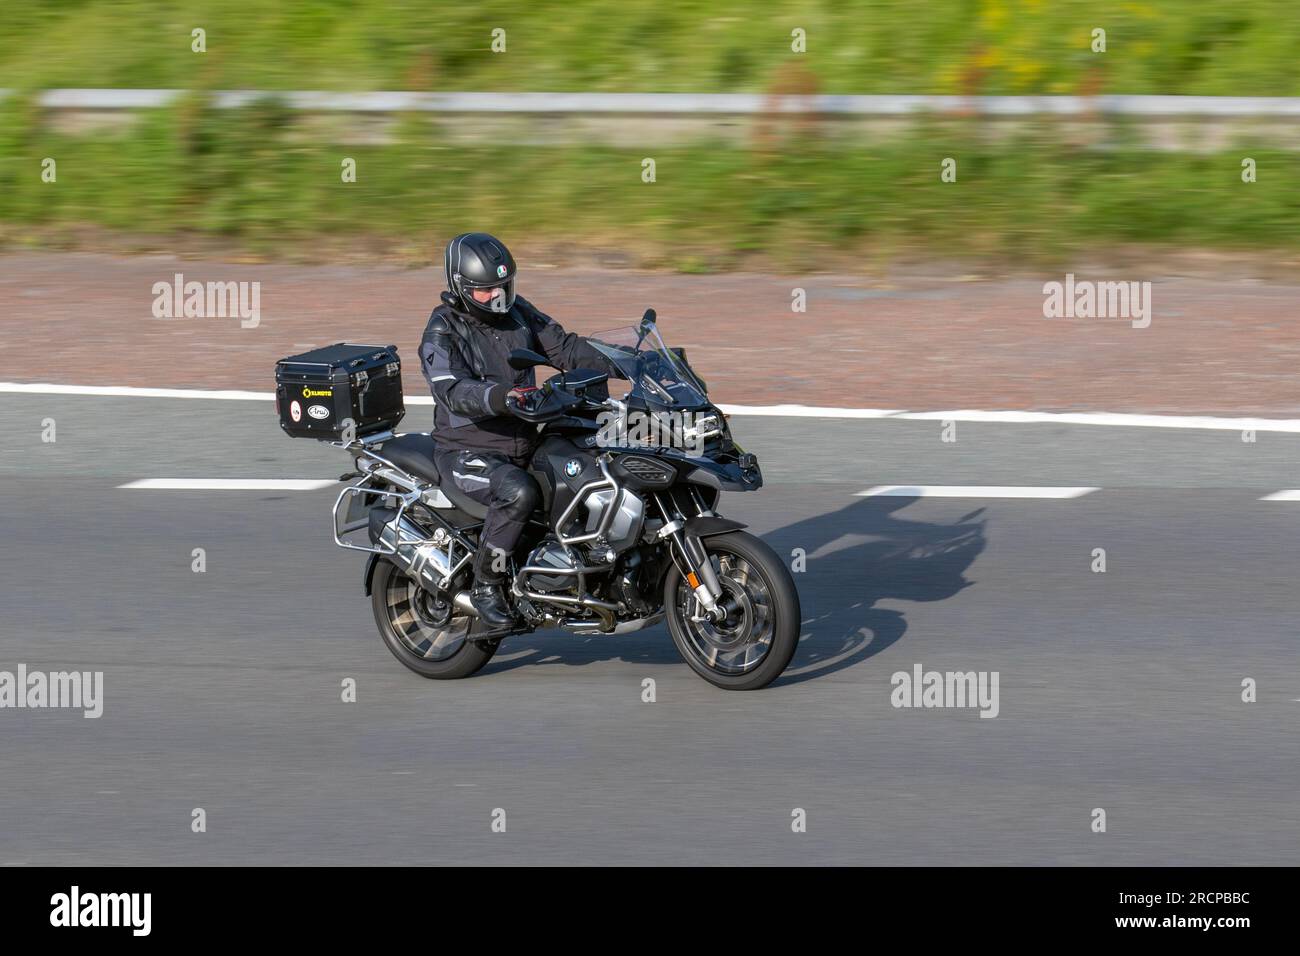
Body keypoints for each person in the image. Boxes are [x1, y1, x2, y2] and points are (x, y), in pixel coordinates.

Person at [419, 232, 622, 628]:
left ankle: (584, 561)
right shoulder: (442, 330)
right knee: (519, 491)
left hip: (524, 437)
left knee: (588, 461)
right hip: (467, 450)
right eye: (485, 291)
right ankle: (486, 584)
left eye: (504, 287)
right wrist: (503, 397)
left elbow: (565, 348)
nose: (497, 298)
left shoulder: (517, 312)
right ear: (460, 288)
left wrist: (626, 362)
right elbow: (451, 388)